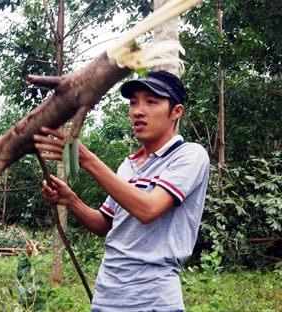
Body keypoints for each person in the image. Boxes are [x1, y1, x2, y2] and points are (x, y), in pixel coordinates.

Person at [34, 70, 210, 312]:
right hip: (106, 299)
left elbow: (148, 209)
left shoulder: (189, 155)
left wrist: (88, 160)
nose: (138, 110)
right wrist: (71, 200)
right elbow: (105, 225)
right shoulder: (127, 166)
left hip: (153, 302)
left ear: (176, 112)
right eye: (133, 102)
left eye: (151, 102)